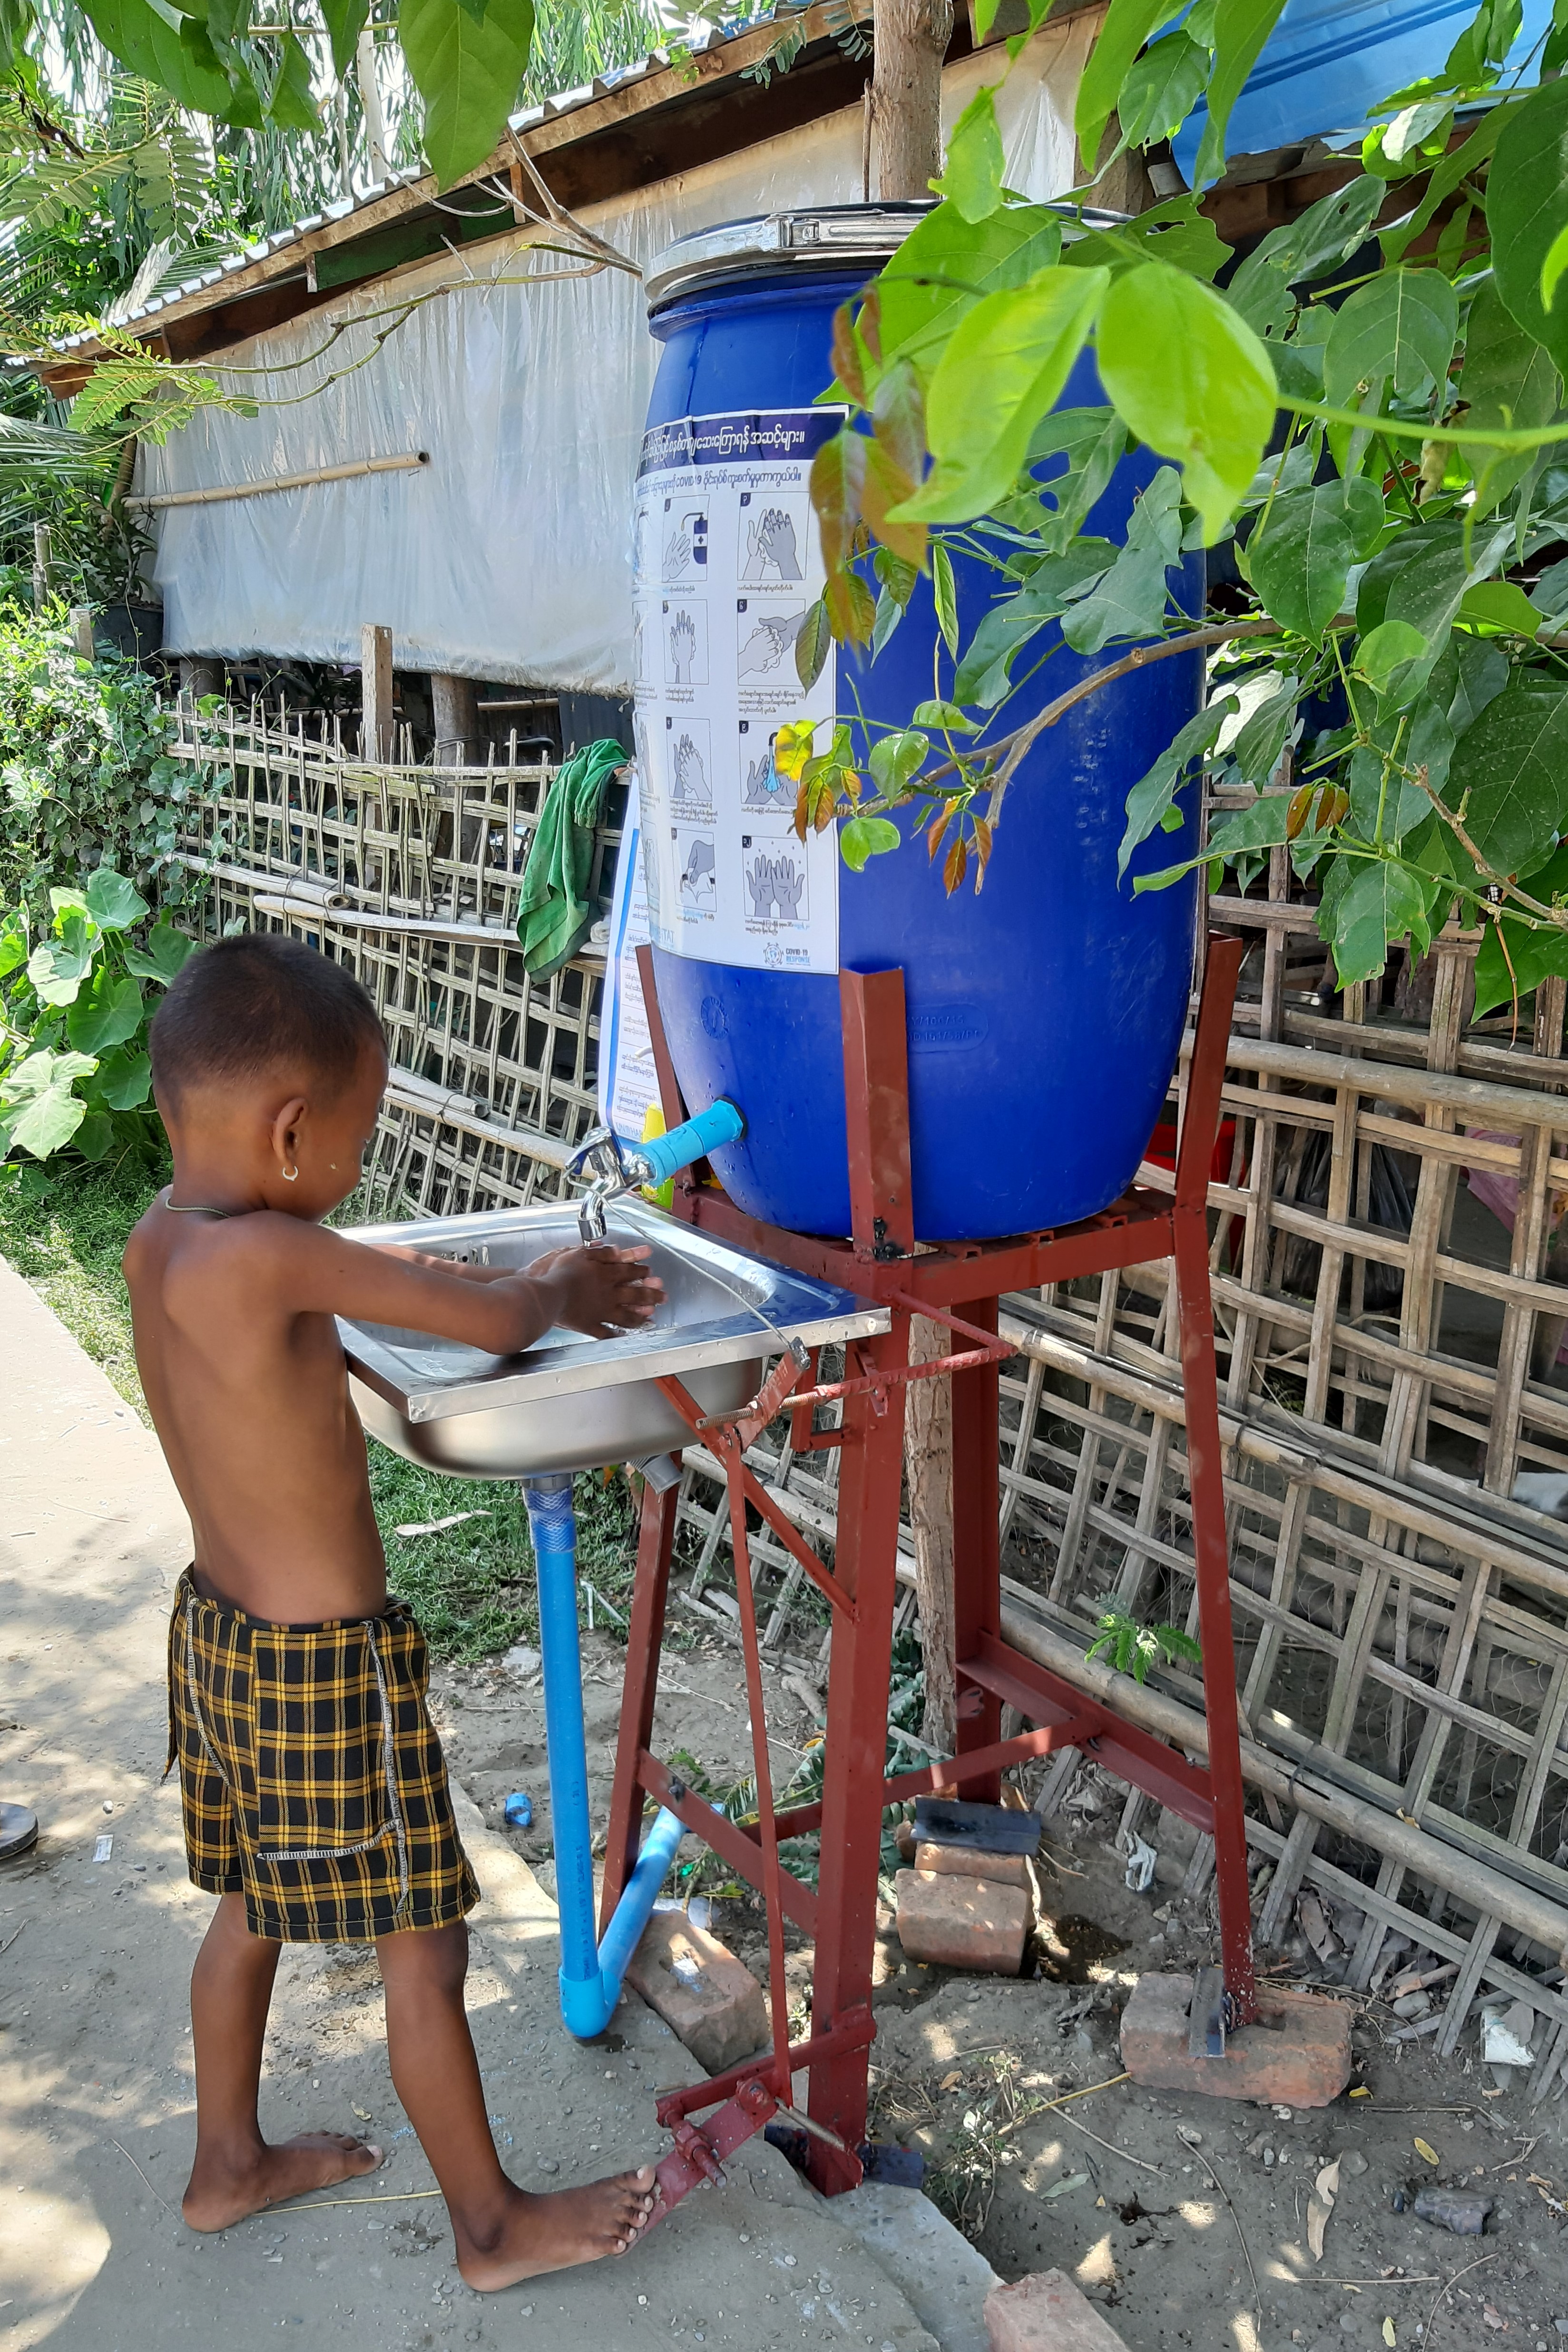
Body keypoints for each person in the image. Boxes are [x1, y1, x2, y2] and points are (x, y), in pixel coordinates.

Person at [123, 932, 665, 2288]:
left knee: (253, 1902)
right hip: (325, 1674)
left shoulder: (162, 1244)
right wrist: (564, 1283)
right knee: (425, 1942)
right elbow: (488, 1325)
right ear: (291, 1128)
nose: (356, 1174)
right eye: (356, 1144)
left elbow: (363, 1310)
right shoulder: (273, 1258)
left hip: (221, 1642)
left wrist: (511, 1283)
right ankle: (493, 2228)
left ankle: (226, 2166)